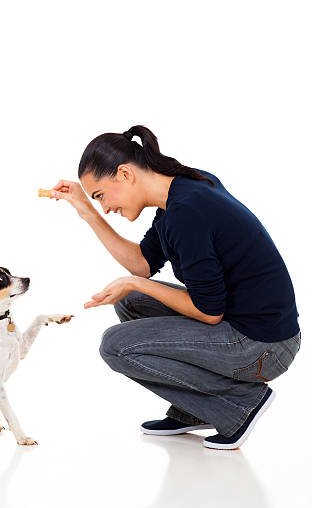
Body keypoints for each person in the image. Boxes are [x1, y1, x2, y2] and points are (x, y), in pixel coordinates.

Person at [49, 124, 301, 450]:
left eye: (100, 196)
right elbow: (142, 263)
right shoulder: (179, 192)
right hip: (249, 329)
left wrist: (134, 282)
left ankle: (240, 403)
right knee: (131, 302)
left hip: (263, 347)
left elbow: (208, 312)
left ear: (124, 174)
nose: (104, 207)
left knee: (114, 346)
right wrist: (87, 213)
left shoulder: (187, 213)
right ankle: (194, 409)